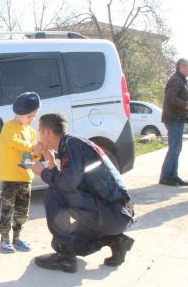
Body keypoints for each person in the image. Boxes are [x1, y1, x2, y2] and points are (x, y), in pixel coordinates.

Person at [31, 113, 135, 273]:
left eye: (39, 131)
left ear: (47, 132)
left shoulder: (71, 145)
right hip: (115, 214)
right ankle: (116, 241)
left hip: (113, 213)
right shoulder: (73, 144)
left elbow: (66, 184)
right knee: (73, 245)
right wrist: (51, 163)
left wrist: (43, 172)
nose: (39, 136)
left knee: (53, 193)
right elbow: (72, 182)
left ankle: (66, 259)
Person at [0, 92, 42, 253]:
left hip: (26, 177)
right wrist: (31, 147)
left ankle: (17, 238)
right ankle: (4, 238)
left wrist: (37, 152)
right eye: (30, 116)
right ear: (19, 113)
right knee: (7, 209)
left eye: (34, 116)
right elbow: (14, 143)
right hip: (10, 177)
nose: (32, 119)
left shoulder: (31, 132)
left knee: (23, 211)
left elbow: (31, 155)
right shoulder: (9, 128)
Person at [159, 58, 188, 186]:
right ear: (180, 67)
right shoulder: (176, 80)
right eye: (187, 66)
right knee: (174, 149)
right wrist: (185, 104)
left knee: (177, 149)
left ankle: (173, 175)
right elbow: (170, 97)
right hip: (173, 119)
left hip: (179, 118)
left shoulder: (182, 81)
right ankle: (166, 176)